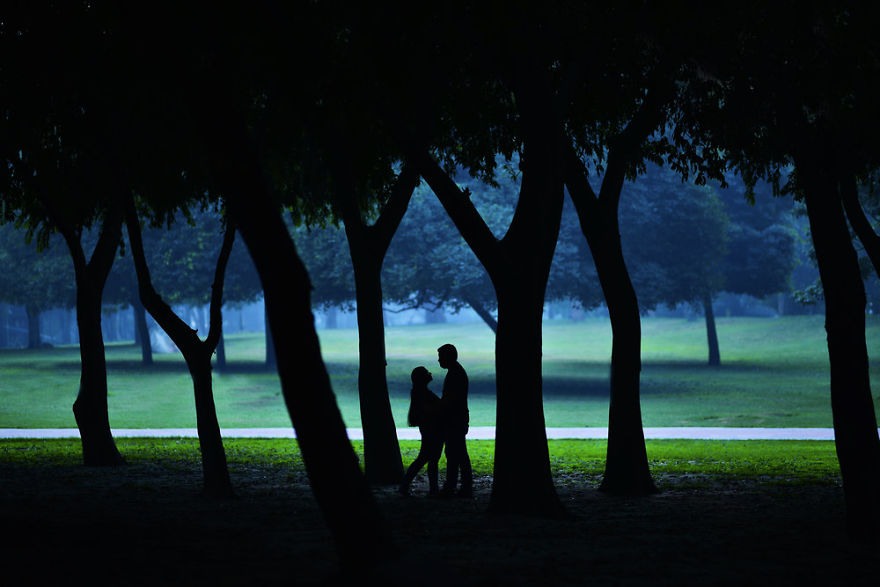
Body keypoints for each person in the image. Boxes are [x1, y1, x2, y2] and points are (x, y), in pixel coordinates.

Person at [398, 366, 444, 496]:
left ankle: (431, 489)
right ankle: (407, 486)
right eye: (426, 372)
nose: (429, 373)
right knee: (426, 458)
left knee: (428, 458)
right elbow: (430, 410)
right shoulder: (422, 393)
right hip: (432, 429)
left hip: (429, 429)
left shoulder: (419, 392)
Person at [437, 343, 472, 497]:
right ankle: (462, 486)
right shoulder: (456, 372)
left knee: (454, 454)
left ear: (448, 357)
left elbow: (450, 400)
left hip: (454, 420)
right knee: (458, 453)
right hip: (458, 419)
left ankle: (453, 487)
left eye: (440, 357)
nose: (438, 360)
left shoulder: (455, 374)